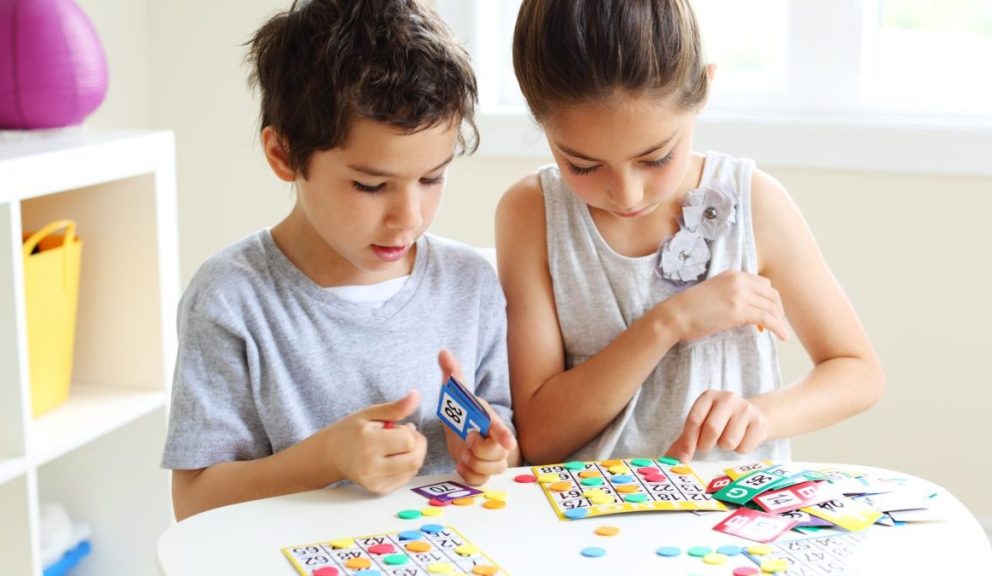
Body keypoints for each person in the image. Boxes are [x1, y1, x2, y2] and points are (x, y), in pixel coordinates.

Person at [162, 0, 518, 521]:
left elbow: (507, 452)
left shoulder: (470, 283)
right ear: (284, 156)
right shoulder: (230, 297)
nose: (408, 217)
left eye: (432, 178)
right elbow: (194, 502)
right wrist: (326, 459)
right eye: (371, 185)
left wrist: (489, 453)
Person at [497, 0, 884, 466]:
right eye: (583, 165)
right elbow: (540, 438)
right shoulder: (532, 213)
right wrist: (669, 323)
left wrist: (760, 415)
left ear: (704, 88)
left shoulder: (754, 202)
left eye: (655, 158)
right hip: (587, 521)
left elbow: (857, 372)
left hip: (727, 520)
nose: (625, 194)